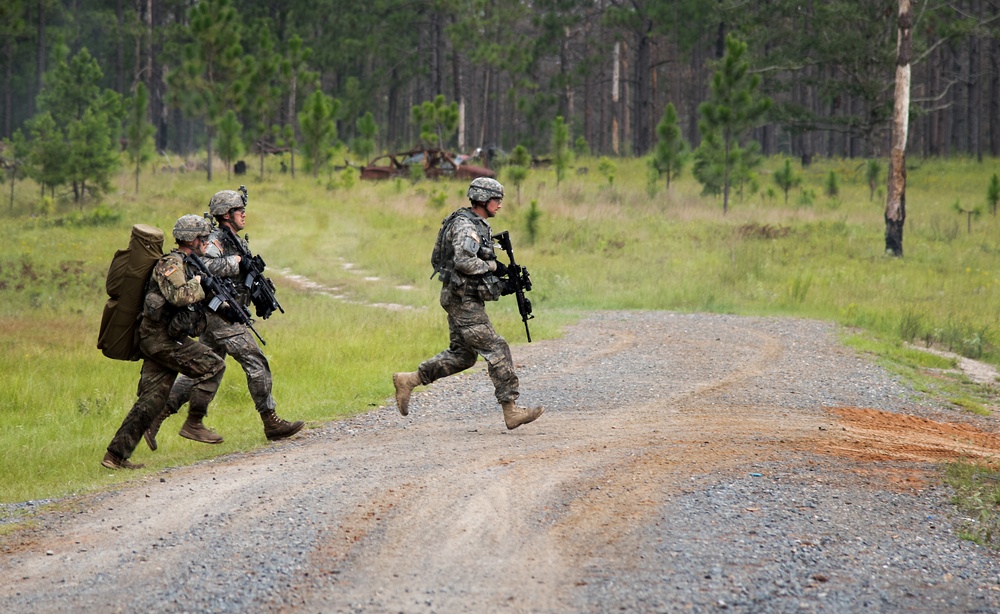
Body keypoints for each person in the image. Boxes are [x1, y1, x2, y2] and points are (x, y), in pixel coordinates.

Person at [144, 190, 303, 449]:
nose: (244, 214)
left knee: (209, 368)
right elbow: (198, 265)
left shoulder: (235, 240)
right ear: (226, 214)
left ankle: (158, 418)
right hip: (220, 315)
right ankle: (270, 421)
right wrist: (235, 262)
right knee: (254, 359)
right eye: (239, 210)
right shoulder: (214, 240)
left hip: (224, 314)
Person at [392, 177, 544, 430]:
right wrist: (495, 266)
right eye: (497, 200)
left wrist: (503, 282)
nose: (500, 206)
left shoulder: (474, 223)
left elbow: (472, 264)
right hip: (462, 300)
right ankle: (511, 410)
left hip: (461, 297)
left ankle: (410, 380)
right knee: (496, 347)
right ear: (483, 199)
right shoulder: (465, 226)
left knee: (462, 356)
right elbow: (464, 261)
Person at [102, 215, 226, 470]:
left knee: (152, 399)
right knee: (214, 365)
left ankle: (115, 456)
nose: (206, 242)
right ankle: (194, 423)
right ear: (192, 239)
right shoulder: (170, 264)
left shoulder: (188, 263)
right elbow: (180, 295)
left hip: (161, 339)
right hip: (161, 339)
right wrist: (199, 285)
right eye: (203, 238)